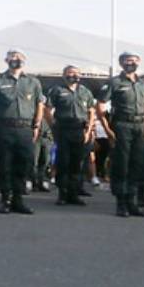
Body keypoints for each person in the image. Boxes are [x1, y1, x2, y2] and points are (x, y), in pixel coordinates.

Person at [0, 49, 43, 215]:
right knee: (5, 165)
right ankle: (6, 200)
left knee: (23, 164)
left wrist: (37, 125)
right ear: (6, 60)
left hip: (25, 128)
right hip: (4, 128)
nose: (15, 59)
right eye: (12, 57)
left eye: (19, 57)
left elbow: (39, 104)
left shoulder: (33, 82)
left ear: (24, 60)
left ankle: (18, 200)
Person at [95, 52, 144, 217]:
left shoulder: (142, 83)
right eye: (127, 60)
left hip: (139, 126)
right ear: (121, 63)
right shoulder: (114, 82)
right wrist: (108, 129)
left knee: (136, 164)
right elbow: (100, 105)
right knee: (121, 164)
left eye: (134, 60)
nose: (131, 63)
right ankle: (121, 203)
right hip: (121, 125)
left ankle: (132, 202)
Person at [46, 65, 96, 207]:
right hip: (63, 129)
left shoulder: (85, 91)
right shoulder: (57, 90)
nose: (73, 75)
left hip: (80, 130)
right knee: (63, 162)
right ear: (64, 75)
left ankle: (73, 194)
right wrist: (53, 126)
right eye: (70, 73)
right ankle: (62, 194)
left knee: (77, 163)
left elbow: (91, 111)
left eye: (76, 73)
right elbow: (47, 109)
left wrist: (88, 130)